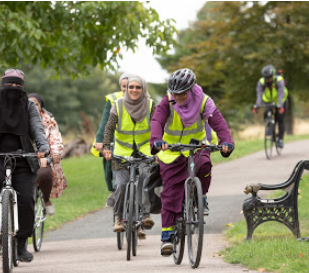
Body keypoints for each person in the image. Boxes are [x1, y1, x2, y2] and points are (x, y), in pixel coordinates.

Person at [150, 68, 234, 256]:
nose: (177, 96)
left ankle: (201, 195)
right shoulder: (167, 101)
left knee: (204, 166)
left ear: (191, 89)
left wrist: (226, 142)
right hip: (171, 151)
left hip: (196, 147)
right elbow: (157, 120)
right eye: (174, 92)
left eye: (181, 93)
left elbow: (219, 124)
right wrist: (157, 140)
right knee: (171, 191)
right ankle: (167, 236)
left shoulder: (204, 101)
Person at [0, 69, 49, 262]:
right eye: (9, 85)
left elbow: (37, 128)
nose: (13, 89)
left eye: (17, 85)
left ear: (23, 88)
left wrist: (43, 146)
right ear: (2, 85)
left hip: (24, 158)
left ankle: (21, 245)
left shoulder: (29, 106)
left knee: (26, 203)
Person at [102, 75, 156, 239]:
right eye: (131, 87)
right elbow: (109, 128)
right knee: (122, 184)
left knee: (146, 178)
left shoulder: (151, 105)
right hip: (122, 152)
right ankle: (119, 218)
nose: (134, 90)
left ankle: (145, 214)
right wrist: (106, 147)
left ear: (143, 89)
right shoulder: (118, 104)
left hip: (144, 150)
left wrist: (159, 146)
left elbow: (157, 126)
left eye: (138, 87)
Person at [91, 73, 132, 207]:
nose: (127, 89)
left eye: (130, 86)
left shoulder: (143, 100)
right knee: (110, 158)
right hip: (116, 137)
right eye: (124, 86)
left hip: (136, 139)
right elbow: (105, 121)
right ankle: (115, 189)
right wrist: (100, 139)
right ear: (121, 87)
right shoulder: (113, 99)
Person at [28, 93, 68, 216]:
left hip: (43, 156)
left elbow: (55, 139)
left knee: (44, 173)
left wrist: (55, 153)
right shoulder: (18, 118)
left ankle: (46, 200)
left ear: (41, 106)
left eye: (36, 103)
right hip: (23, 156)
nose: (33, 106)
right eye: (29, 103)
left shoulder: (49, 121)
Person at [253, 64, 288, 148]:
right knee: (267, 112)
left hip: (281, 100)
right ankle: (269, 127)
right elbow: (259, 95)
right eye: (266, 78)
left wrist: (280, 106)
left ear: (273, 75)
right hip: (268, 100)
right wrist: (257, 106)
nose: (267, 79)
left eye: (269, 77)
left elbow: (280, 94)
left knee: (280, 119)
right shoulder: (261, 82)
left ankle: (280, 140)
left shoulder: (279, 80)